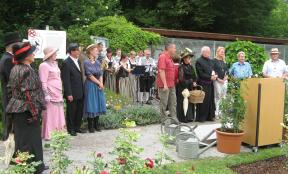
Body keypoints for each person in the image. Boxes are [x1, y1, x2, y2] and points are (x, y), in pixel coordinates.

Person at [6, 42, 47, 173]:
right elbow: (29, 94)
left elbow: (10, 90)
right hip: (27, 110)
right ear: (26, 57)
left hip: (18, 109)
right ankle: (33, 167)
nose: (34, 54)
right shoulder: (27, 70)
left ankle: (29, 165)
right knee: (30, 140)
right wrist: (35, 112)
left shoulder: (15, 68)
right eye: (32, 53)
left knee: (23, 139)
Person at [39, 47, 66, 140]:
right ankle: (49, 134)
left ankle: (59, 131)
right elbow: (43, 81)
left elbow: (58, 77)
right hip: (50, 91)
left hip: (57, 91)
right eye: (54, 53)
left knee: (58, 112)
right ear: (50, 55)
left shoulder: (55, 64)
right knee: (50, 113)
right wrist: (46, 94)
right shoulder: (43, 65)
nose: (56, 55)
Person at [0, 32, 21, 140]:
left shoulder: (8, 57)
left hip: (11, 97)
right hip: (10, 97)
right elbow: (12, 80)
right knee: (10, 123)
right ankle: (9, 146)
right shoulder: (8, 59)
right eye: (18, 44)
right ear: (13, 46)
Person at [61, 43, 85, 136]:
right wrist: (68, 93)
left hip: (80, 90)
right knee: (71, 111)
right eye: (77, 50)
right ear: (72, 52)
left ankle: (77, 127)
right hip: (72, 91)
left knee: (79, 110)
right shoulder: (66, 62)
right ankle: (70, 129)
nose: (79, 51)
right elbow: (66, 80)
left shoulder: (78, 61)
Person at [84, 44, 106, 133]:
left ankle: (97, 125)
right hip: (90, 85)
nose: (97, 51)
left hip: (98, 84)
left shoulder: (97, 62)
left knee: (98, 103)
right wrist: (98, 83)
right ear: (90, 51)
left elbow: (100, 73)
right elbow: (89, 75)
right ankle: (90, 126)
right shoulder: (86, 62)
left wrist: (101, 83)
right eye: (96, 50)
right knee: (91, 103)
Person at [195, 46, 217, 122]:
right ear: (203, 52)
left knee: (210, 100)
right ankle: (201, 118)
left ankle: (210, 116)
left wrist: (215, 75)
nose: (209, 53)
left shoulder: (211, 61)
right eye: (208, 52)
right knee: (204, 101)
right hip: (203, 84)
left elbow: (213, 70)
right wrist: (210, 77)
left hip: (210, 84)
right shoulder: (199, 61)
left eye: (209, 52)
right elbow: (200, 74)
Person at [156, 43, 177, 121]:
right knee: (164, 102)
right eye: (174, 48)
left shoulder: (170, 58)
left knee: (173, 102)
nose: (175, 50)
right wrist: (165, 84)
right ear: (169, 48)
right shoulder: (163, 57)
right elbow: (161, 70)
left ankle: (174, 118)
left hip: (171, 84)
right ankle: (163, 119)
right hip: (164, 85)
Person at [177, 49, 197, 123]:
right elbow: (181, 79)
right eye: (187, 58)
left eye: (189, 58)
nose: (189, 59)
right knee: (183, 102)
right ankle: (183, 118)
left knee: (190, 102)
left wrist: (194, 81)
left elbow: (195, 76)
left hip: (190, 87)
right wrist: (190, 81)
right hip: (183, 88)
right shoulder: (181, 67)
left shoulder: (191, 67)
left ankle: (190, 117)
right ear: (184, 59)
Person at [213, 47, 228, 119]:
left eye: (223, 52)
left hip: (224, 81)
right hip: (217, 81)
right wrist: (218, 79)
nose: (223, 53)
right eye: (221, 52)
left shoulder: (224, 61)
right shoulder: (214, 60)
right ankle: (216, 113)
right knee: (218, 95)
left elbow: (226, 71)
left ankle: (222, 112)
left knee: (223, 96)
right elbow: (213, 71)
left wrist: (225, 77)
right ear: (217, 52)